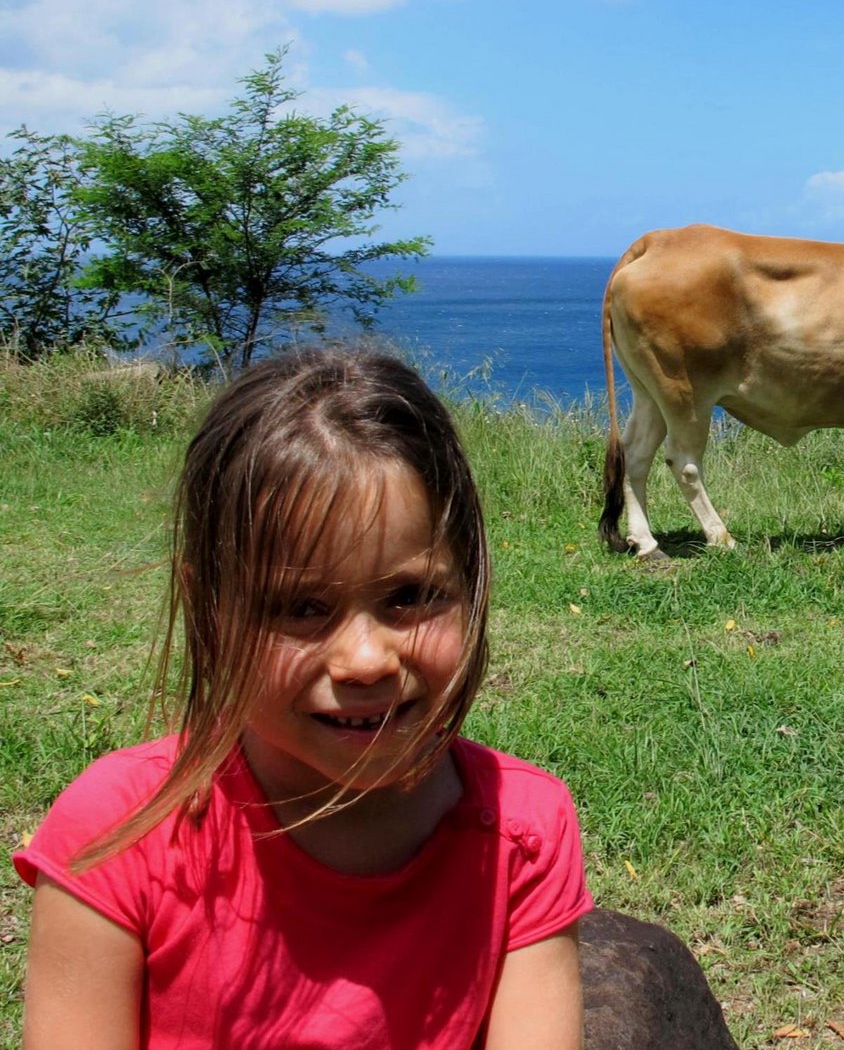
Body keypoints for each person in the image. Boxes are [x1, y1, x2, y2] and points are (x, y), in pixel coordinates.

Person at [13, 347, 589, 1048]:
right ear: (207, 608)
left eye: (409, 597)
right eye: (300, 608)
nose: (366, 660)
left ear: (470, 580)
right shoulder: (116, 837)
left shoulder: (523, 831)